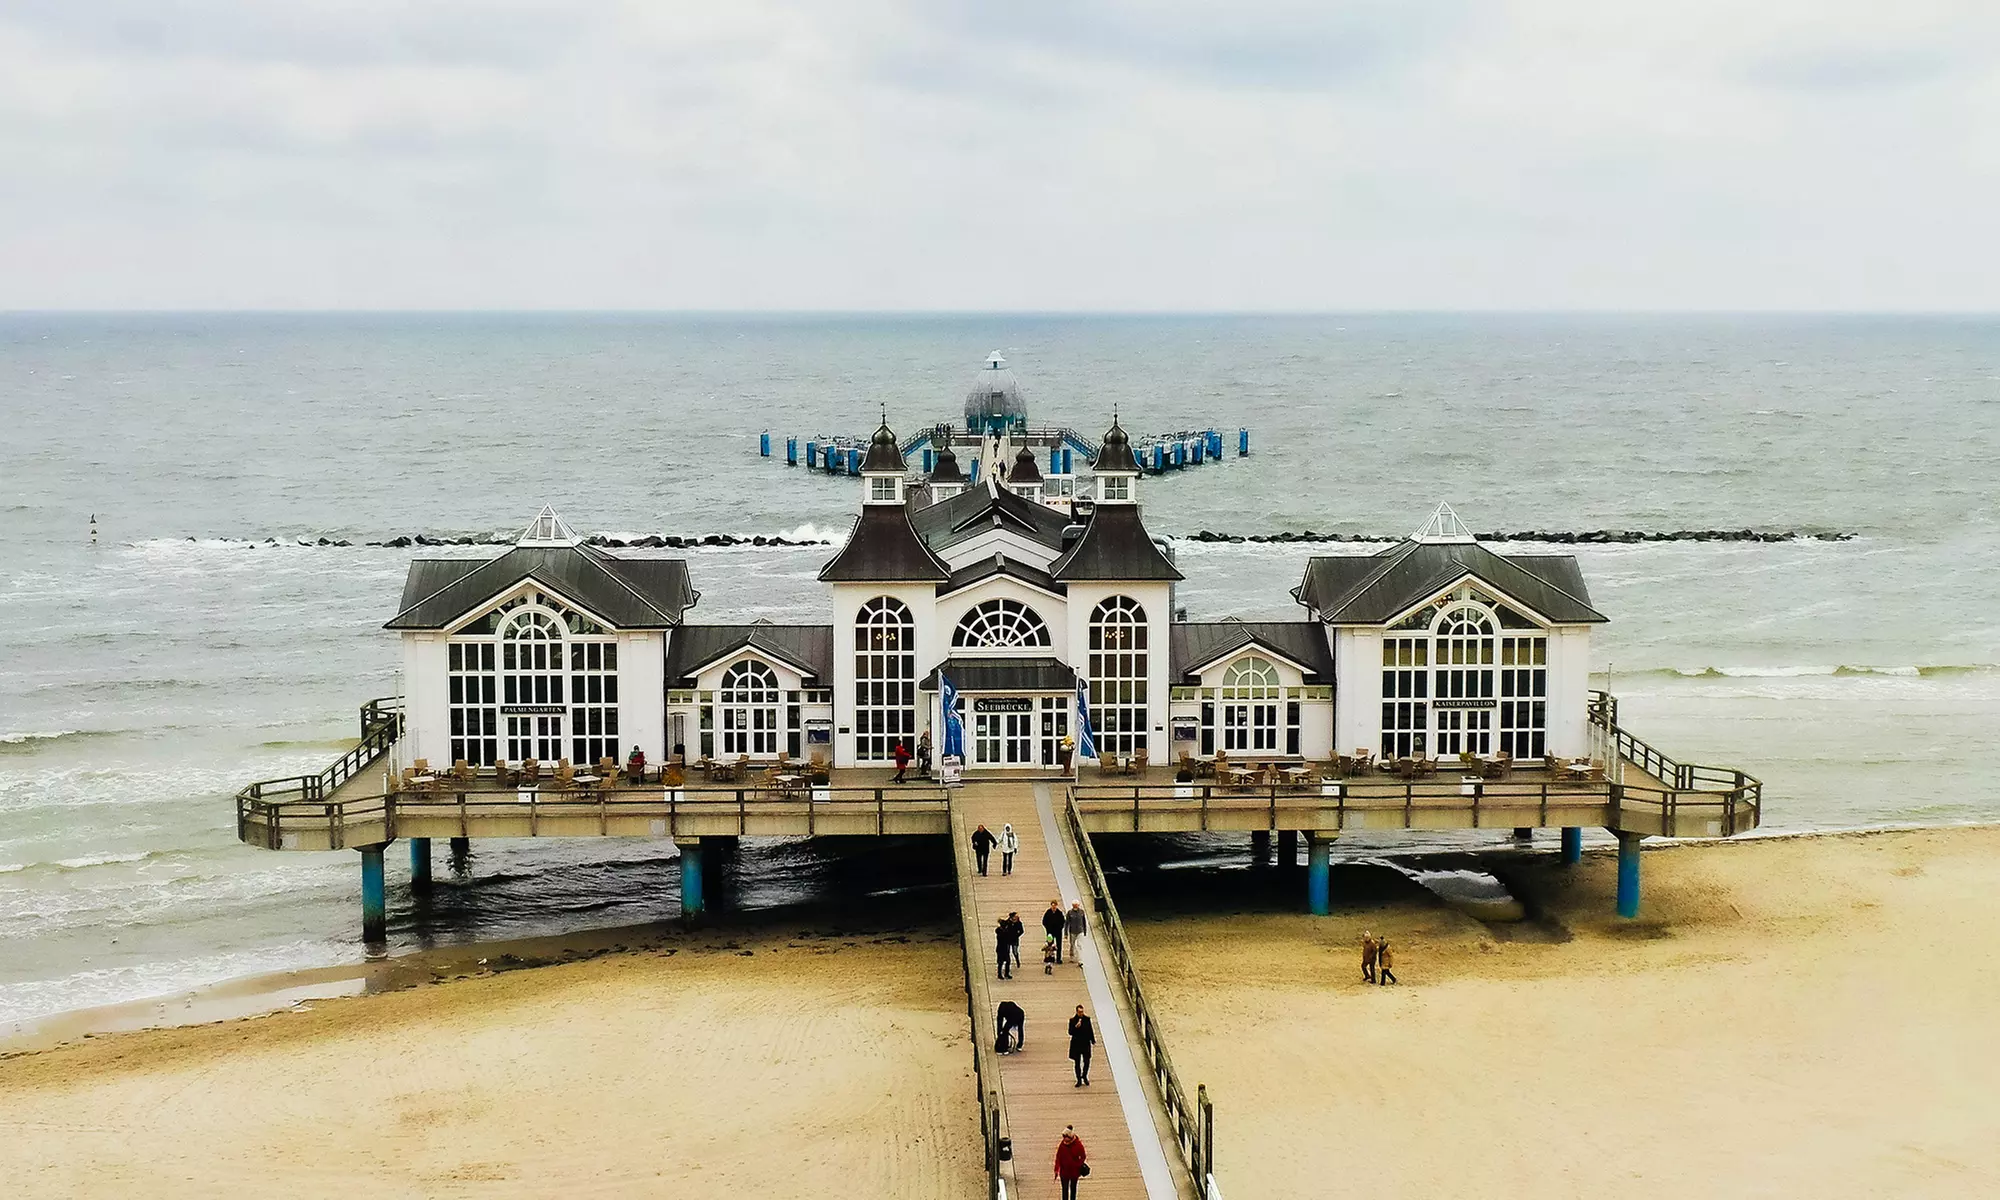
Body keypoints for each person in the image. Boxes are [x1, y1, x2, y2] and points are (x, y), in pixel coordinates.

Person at [1054, 1126, 1088, 1199]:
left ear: (1070, 1137)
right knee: (1064, 1190)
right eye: (1064, 1137)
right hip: (1064, 1172)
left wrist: (1078, 1164)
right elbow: (1058, 1157)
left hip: (1074, 1172)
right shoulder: (1062, 1145)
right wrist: (1056, 1170)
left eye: (1066, 1137)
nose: (1065, 1140)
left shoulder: (1078, 1144)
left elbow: (1083, 1156)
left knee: (1073, 1189)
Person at [1067, 1006, 1095, 1086]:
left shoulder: (1087, 1019)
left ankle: (1084, 1075)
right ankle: (1078, 1079)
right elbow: (1070, 1032)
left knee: (1087, 1061)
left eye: (1082, 1012)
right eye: (1079, 1012)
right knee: (1077, 1063)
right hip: (1077, 1044)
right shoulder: (1072, 1020)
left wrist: (1092, 1040)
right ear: (1077, 1012)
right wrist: (1076, 1027)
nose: (1081, 1013)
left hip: (1085, 1043)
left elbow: (1090, 1030)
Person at [1042, 899, 1067, 964]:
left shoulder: (1059, 913)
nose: (1053, 907)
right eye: (1052, 905)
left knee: (1059, 945)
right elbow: (1044, 921)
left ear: (1056, 905)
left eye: (1054, 905)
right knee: (1050, 945)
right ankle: (1050, 957)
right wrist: (1047, 928)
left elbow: (1063, 922)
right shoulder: (1048, 912)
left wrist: (1060, 928)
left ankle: (1058, 958)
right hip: (1050, 932)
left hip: (1058, 932)